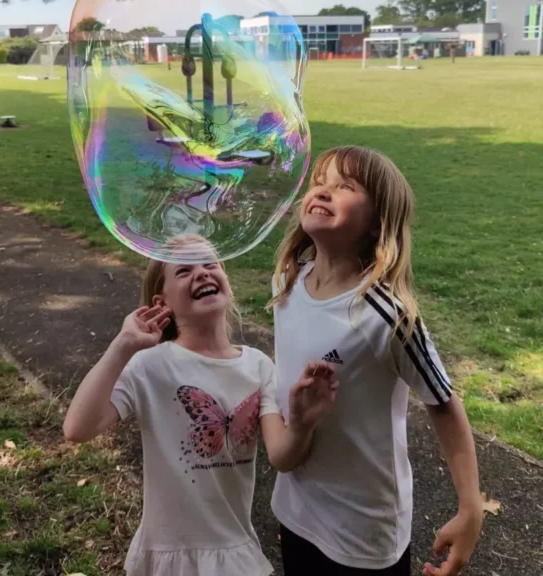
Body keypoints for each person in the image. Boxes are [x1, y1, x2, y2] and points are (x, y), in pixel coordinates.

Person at [63, 237, 338, 576]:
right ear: (161, 302)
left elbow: (282, 457)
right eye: (184, 270)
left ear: (227, 282)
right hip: (167, 558)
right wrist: (123, 347)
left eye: (210, 265)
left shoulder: (258, 366)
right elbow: (77, 428)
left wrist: (301, 422)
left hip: (234, 554)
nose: (202, 274)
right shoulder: (151, 365)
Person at [270, 146, 483, 576]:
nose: (325, 192)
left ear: (377, 223)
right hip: (295, 511)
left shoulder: (387, 315)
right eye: (319, 183)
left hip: (364, 532)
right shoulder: (286, 282)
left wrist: (470, 507)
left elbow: (442, 402)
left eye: (345, 186)